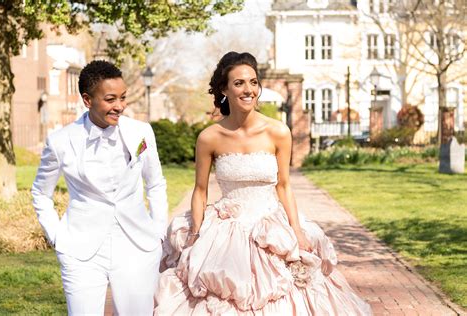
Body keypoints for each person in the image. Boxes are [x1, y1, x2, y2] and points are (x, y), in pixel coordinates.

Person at [155, 52, 372, 315]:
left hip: (271, 228)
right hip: (225, 231)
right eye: (239, 83)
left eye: (253, 82)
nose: (249, 90)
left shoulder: (279, 132)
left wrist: (297, 231)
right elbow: (200, 191)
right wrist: (195, 234)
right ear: (224, 89)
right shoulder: (209, 137)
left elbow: (284, 186)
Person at [31, 60, 168, 315]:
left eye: (123, 97)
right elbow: (40, 193)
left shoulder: (141, 132)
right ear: (87, 100)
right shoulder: (60, 141)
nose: (120, 106)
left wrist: (159, 230)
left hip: (137, 245)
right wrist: (58, 238)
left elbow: (156, 183)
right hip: (80, 250)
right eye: (110, 99)